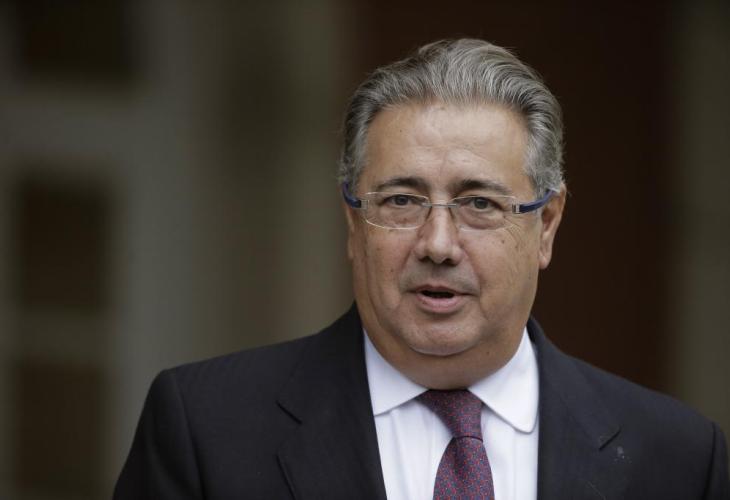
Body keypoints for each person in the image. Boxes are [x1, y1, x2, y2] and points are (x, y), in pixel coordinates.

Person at [114, 39, 729, 500]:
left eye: (479, 204)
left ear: (546, 224)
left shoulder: (677, 459)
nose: (437, 244)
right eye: (402, 201)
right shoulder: (207, 429)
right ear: (353, 222)